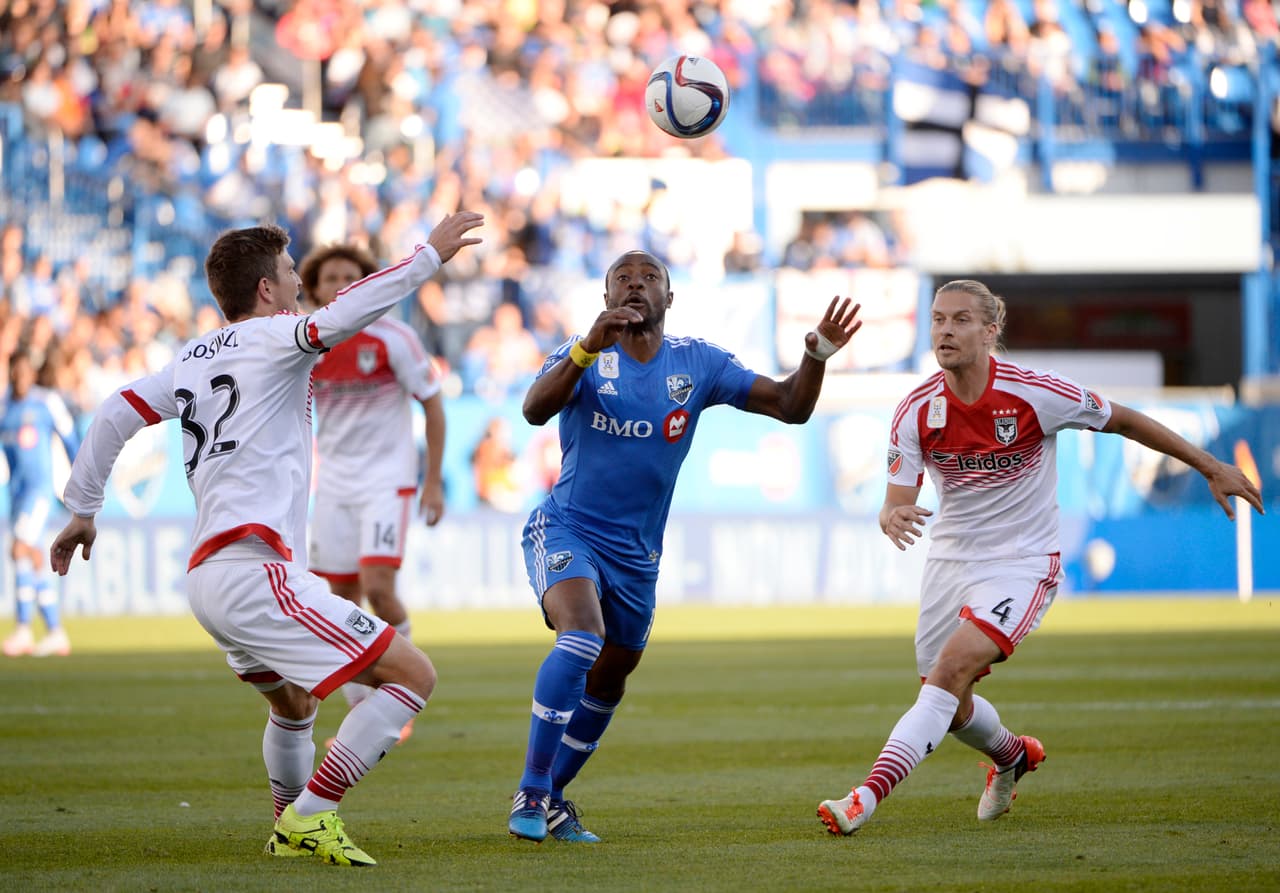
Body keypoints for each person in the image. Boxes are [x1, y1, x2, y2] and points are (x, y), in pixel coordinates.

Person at [49, 212, 484, 865]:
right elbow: (348, 312)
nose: (302, 288)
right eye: (290, 274)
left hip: (207, 578)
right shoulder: (281, 336)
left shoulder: (191, 357)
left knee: (295, 702)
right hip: (255, 569)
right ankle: (311, 814)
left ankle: (288, 825)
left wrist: (84, 506)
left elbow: (115, 412)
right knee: (413, 674)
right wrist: (427, 256)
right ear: (267, 292)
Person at [817, 279, 1265, 836]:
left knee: (951, 671)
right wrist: (890, 517)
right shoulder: (916, 410)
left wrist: (1210, 465)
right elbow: (895, 503)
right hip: (950, 564)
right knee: (949, 703)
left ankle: (863, 798)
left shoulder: (1036, 393)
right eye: (937, 320)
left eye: (960, 320)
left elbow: (1124, 419)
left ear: (990, 330)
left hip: (1022, 564)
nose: (945, 331)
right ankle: (1012, 755)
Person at [507, 249, 863, 844]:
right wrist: (586, 348)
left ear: (670, 299)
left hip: (637, 556)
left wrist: (815, 356)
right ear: (606, 297)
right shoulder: (585, 352)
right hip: (568, 529)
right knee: (581, 636)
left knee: (611, 678)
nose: (636, 284)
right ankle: (533, 789)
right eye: (622, 277)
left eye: (650, 278)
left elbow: (790, 406)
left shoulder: (697, 363)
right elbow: (533, 409)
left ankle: (554, 799)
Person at [299, 242, 448, 744]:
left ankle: (403, 691)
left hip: (387, 480)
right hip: (334, 485)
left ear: (366, 283)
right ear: (314, 289)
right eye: (328, 278)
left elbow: (433, 404)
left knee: (379, 591)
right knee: (339, 600)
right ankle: (365, 711)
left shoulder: (393, 337)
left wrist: (432, 482)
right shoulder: (308, 344)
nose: (339, 285)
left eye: (350, 276)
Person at [1, 349, 81, 657]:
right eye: (16, 372)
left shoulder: (46, 402)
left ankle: (23, 629)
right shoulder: (5, 408)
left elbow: (70, 439)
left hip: (39, 492)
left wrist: (81, 476)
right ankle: (54, 631)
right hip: (17, 495)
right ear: (11, 374)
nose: (21, 378)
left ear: (32, 374)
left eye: (25, 372)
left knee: (18, 548)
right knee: (31, 556)